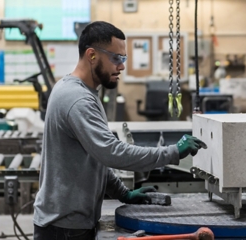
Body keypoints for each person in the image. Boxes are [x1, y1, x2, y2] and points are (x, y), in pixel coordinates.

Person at [33, 21, 206, 240]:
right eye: (116, 58)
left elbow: (93, 158)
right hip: (63, 228)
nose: (122, 66)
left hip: (69, 223)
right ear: (92, 55)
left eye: (123, 59)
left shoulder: (84, 92)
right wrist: (172, 152)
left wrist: (122, 193)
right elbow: (112, 153)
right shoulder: (76, 99)